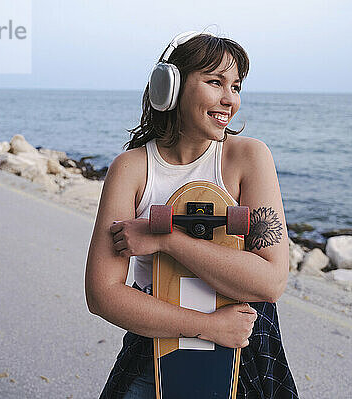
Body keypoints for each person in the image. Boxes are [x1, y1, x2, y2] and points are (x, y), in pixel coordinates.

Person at [85, 30, 299, 399]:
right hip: (155, 345)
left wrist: (165, 239)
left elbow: (270, 282)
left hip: (244, 345)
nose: (229, 99)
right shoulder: (132, 169)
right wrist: (206, 326)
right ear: (170, 87)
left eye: (236, 86)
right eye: (215, 82)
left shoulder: (248, 158)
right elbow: (102, 294)